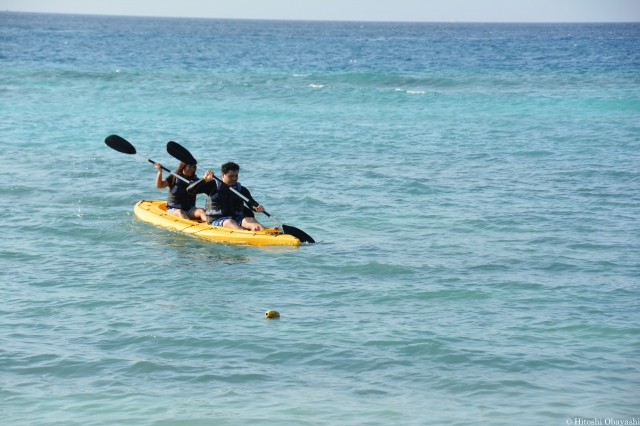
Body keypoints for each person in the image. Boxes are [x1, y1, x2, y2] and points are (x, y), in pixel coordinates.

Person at [187, 161, 267, 231]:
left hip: (237, 218)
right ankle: (245, 234)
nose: (234, 179)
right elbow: (190, 190)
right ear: (223, 174)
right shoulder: (212, 185)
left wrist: (257, 207)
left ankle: (266, 234)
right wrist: (204, 179)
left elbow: (251, 204)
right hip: (216, 220)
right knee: (230, 222)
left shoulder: (241, 189)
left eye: (236, 176)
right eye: (231, 176)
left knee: (251, 220)